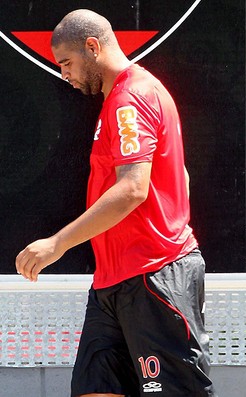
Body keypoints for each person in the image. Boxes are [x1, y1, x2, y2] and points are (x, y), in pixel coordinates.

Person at [16, 9, 217, 397]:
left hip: (154, 278)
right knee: (94, 389)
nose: (64, 75)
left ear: (92, 47)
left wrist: (57, 243)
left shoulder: (130, 97)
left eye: (67, 63)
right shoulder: (122, 99)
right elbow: (179, 176)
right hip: (113, 282)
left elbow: (133, 189)